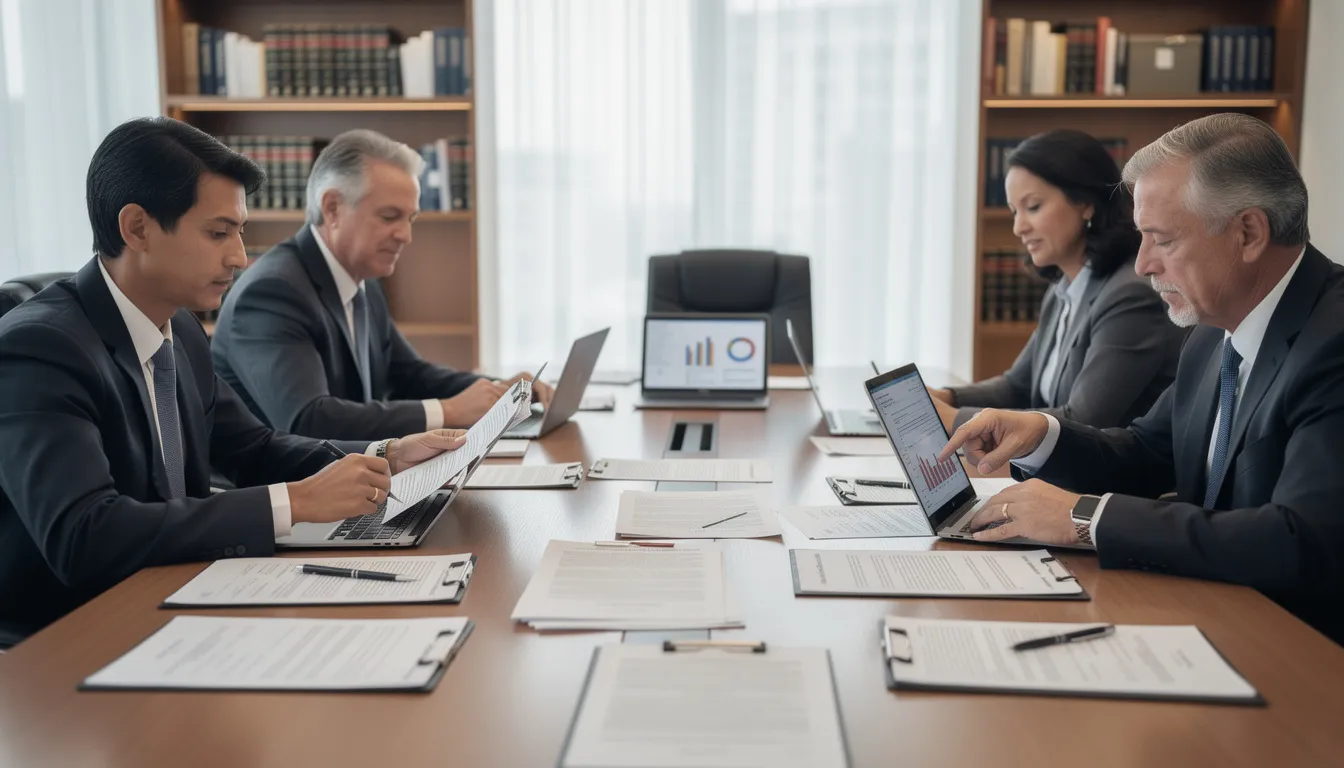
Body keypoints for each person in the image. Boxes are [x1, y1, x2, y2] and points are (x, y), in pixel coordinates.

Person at [0, 117, 467, 642]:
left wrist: (386, 454)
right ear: (137, 229)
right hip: (69, 641)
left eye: (240, 232)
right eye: (218, 233)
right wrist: (293, 502)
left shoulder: (180, 326)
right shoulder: (40, 348)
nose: (239, 257)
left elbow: (253, 449)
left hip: (180, 597)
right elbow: (83, 535)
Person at [940, 113, 1344, 645]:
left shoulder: (1332, 340)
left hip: (1301, 651)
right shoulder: (1211, 331)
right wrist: (1040, 436)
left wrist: (1083, 517)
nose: (1143, 263)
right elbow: (1148, 455)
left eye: (1161, 240)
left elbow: (1300, 540)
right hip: (1217, 615)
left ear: (1248, 232)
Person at [211, 129, 552, 441]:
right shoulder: (273, 292)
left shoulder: (363, 281)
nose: (406, 235)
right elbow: (308, 419)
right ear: (332, 208)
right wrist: (449, 412)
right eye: (390, 217)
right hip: (283, 496)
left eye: (411, 218)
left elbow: (410, 375)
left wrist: (502, 392)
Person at [931, 130, 1185, 431]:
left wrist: (953, 420)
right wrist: (944, 397)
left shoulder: (1129, 297)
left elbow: (1084, 420)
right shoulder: (1064, 290)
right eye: (1014, 211)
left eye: (1033, 207)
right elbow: (1018, 387)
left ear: (1085, 204)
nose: (1018, 227)